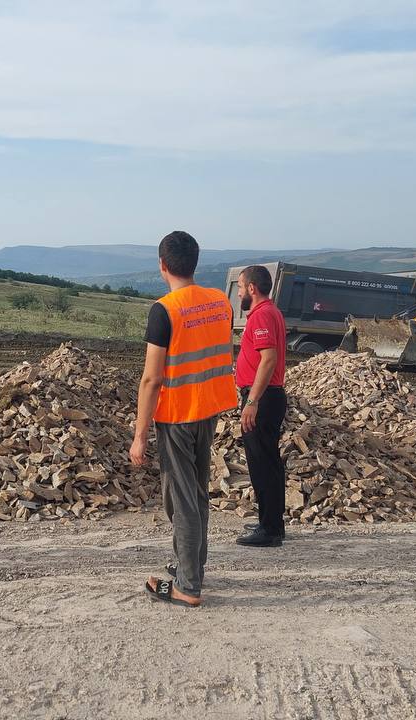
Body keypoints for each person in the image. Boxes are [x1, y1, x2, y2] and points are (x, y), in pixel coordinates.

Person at [130, 230, 237, 608]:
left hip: (177, 414)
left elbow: (152, 378)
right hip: (209, 408)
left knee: (183, 497)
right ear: (196, 262)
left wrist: (140, 434)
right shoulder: (219, 301)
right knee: (194, 493)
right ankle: (190, 564)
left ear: (162, 265)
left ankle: (188, 585)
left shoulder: (165, 310)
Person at [233, 265, 288, 547]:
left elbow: (268, 359)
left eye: (241, 287)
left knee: (262, 464)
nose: (239, 292)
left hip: (263, 398)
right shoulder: (270, 312)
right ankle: (273, 522)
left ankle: (269, 530)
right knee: (270, 462)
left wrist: (252, 401)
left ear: (252, 288)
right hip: (269, 396)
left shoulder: (262, 315)